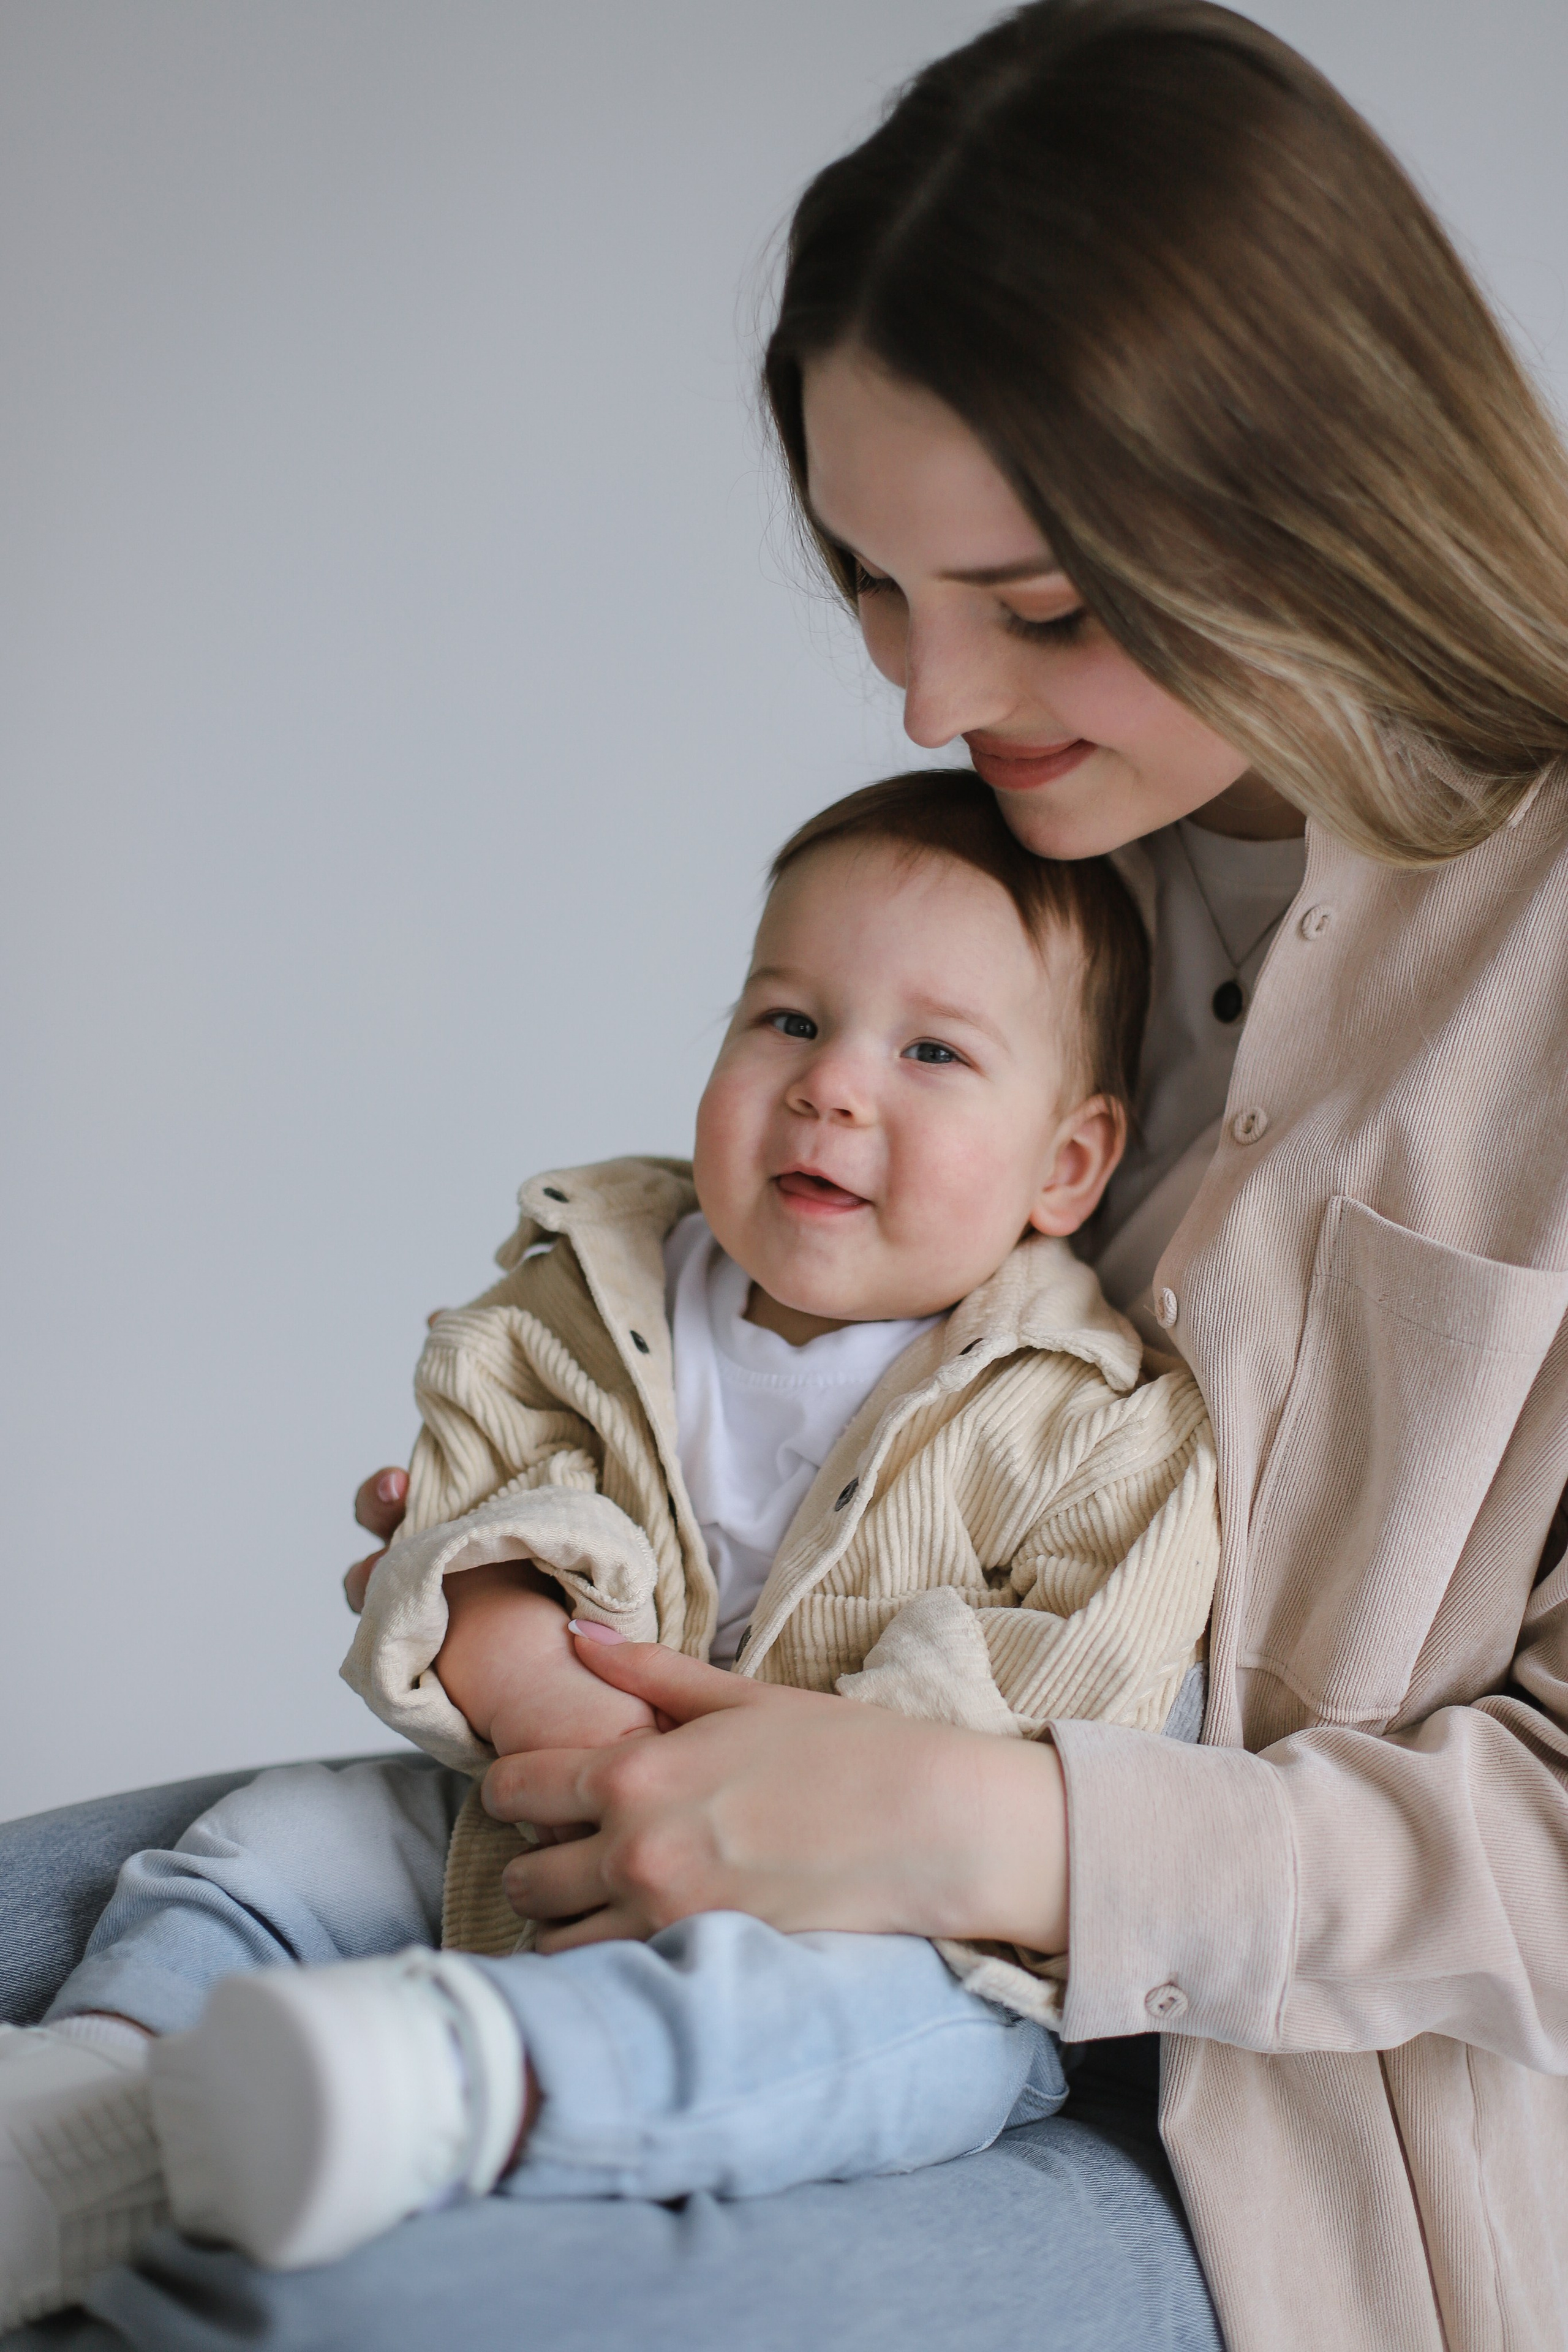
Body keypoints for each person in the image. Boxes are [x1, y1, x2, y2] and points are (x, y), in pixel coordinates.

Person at [10, 2, 1568, 2346]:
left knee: (300, 2293)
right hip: (697, 1828)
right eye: (874, 583)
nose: (932, 707)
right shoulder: (1026, 879)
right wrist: (548, 1572)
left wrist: (986, 1828)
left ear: (1310, 492)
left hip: (1267, 2134)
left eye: (1039, 607)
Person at [3, 771, 1219, 2309]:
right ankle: (93, 2100)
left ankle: (465, 2088)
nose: (834, 1086)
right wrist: (546, 1703)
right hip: (523, 1814)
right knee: (273, 1843)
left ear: (1066, 1164)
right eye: (786, 1019)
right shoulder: (591, 1291)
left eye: (929, 1052)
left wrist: (817, 1809)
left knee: (910, 2051)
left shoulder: (1095, 1416)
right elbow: (468, 1515)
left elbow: (1089, 1683)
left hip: (864, 1917)